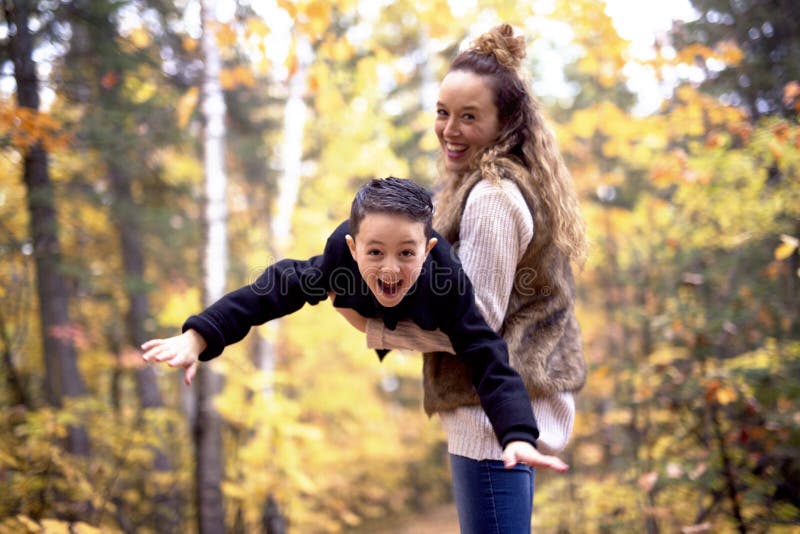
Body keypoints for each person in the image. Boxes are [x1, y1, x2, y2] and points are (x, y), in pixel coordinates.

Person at [334, 25, 588, 533]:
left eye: (469, 117)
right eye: (443, 112)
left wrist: (375, 329)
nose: (449, 129)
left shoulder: (491, 199)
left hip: (489, 422)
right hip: (499, 417)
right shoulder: (488, 186)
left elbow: (477, 319)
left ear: (506, 123)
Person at [140, 177, 569, 471]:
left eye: (406, 253)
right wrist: (197, 337)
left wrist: (516, 435)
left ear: (427, 249)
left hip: (428, 310)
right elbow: (267, 292)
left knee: (475, 342)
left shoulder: (446, 282)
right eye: (375, 252)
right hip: (360, 293)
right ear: (353, 247)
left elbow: (488, 356)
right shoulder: (338, 263)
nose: (389, 268)